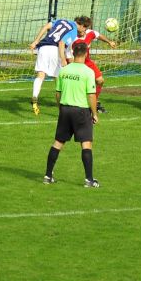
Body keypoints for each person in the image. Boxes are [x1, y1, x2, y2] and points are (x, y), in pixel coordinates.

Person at [44, 42, 101, 188]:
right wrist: (94, 113)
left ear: (73, 53)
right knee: (86, 143)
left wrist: (61, 108)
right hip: (81, 112)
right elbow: (92, 96)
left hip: (65, 110)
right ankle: (89, 179)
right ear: (86, 54)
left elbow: (58, 93)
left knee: (58, 142)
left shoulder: (64, 70)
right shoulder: (88, 72)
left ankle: (48, 175)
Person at [29, 18, 78, 115]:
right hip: (55, 50)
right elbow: (64, 47)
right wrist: (67, 61)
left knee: (40, 75)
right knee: (58, 79)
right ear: (81, 25)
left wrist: (35, 41)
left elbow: (46, 26)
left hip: (43, 47)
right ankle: (63, 106)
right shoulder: (74, 31)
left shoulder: (61, 20)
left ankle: (35, 97)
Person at [69, 16, 117, 114]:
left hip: (87, 62)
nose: (78, 27)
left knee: (100, 81)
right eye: (77, 25)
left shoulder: (90, 33)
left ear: (85, 27)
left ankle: (95, 103)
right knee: (77, 85)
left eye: (80, 26)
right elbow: (68, 54)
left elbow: (98, 35)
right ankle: (74, 105)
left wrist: (109, 42)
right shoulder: (71, 37)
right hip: (75, 62)